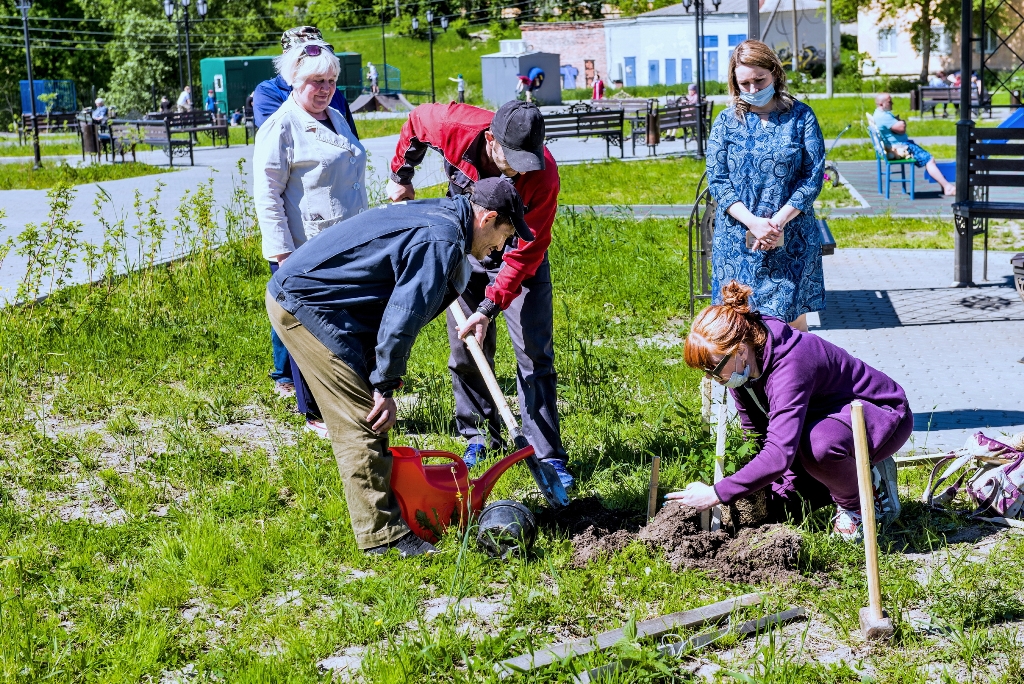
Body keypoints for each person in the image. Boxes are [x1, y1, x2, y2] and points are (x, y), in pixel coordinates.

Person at [267, 178, 533, 556]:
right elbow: (402, 317)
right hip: (307, 305)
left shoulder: (445, 219)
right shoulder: (441, 241)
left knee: (365, 412)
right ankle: (384, 539)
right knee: (363, 419)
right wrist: (385, 386)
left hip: (322, 301)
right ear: (487, 217)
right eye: (504, 235)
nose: (500, 247)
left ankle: (397, 510)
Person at [385, 101, 573, 489]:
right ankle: (478, 436)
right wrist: (402, 174)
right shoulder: (455, 126)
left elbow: (527, 250)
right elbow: (417, 121)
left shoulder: (543, 174)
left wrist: (490, 305)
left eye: (529, 159)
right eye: (514, 159)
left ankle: (547, 455)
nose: (522, 168)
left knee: (535, 355)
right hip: (466, 248)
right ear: (491, 140)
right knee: (465, 347)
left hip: (519, 258)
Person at [666, 281, 912, 542]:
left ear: (738, 350)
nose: (713, 378)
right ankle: (849, 474)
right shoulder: (744, 366)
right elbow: (757, 435)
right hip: (817, 424)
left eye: (714, 369)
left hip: (881, 418)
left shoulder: (791, 362)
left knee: (818, 447)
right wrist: (757, 489)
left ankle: (859, 504)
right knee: (776, 508)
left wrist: (716, 493)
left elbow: (780, 453)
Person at [254, 37, 368, 438]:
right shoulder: (280, 126)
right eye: (316, 81)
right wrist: (283, 255)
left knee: (345, 326)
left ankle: (350, 400)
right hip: (307, 247)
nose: (325, 89)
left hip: (349, 240)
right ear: (293, 81)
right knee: (311, 331)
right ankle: (317, 413)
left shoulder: (334, 117)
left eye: (332, 81)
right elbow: (267, 195)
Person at [705, 39, 826, 333]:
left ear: (775, 73)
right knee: (737, 324)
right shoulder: (725, 122)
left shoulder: (801, 117)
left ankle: (794, 379)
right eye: (743, 83)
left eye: (759, 80)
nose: (752, 90)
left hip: (791, 237)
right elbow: (718, 180)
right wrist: (753, 223)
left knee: (792, 325)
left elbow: (812, 177)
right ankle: (738, 380)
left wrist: (777, 223)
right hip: (737, 240)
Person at [253, 26, 357, 134]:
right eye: (318, 80)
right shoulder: (268, 92)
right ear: (287, 57)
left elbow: (351, 137)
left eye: (331, 80)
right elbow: (278, 135)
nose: (326, 89)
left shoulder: (334, 94)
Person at [873, 93, 955, 196]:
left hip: (894, 147)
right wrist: (902, 122)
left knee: (928, 158)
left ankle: (944, 185)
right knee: (929, 159)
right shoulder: (884, 116)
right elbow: (901, 129)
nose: (892, 103)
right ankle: (947, 187)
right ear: (881, 104)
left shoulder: (877, 113)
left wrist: (900, 123)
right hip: (899, 148)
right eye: (889, 102)